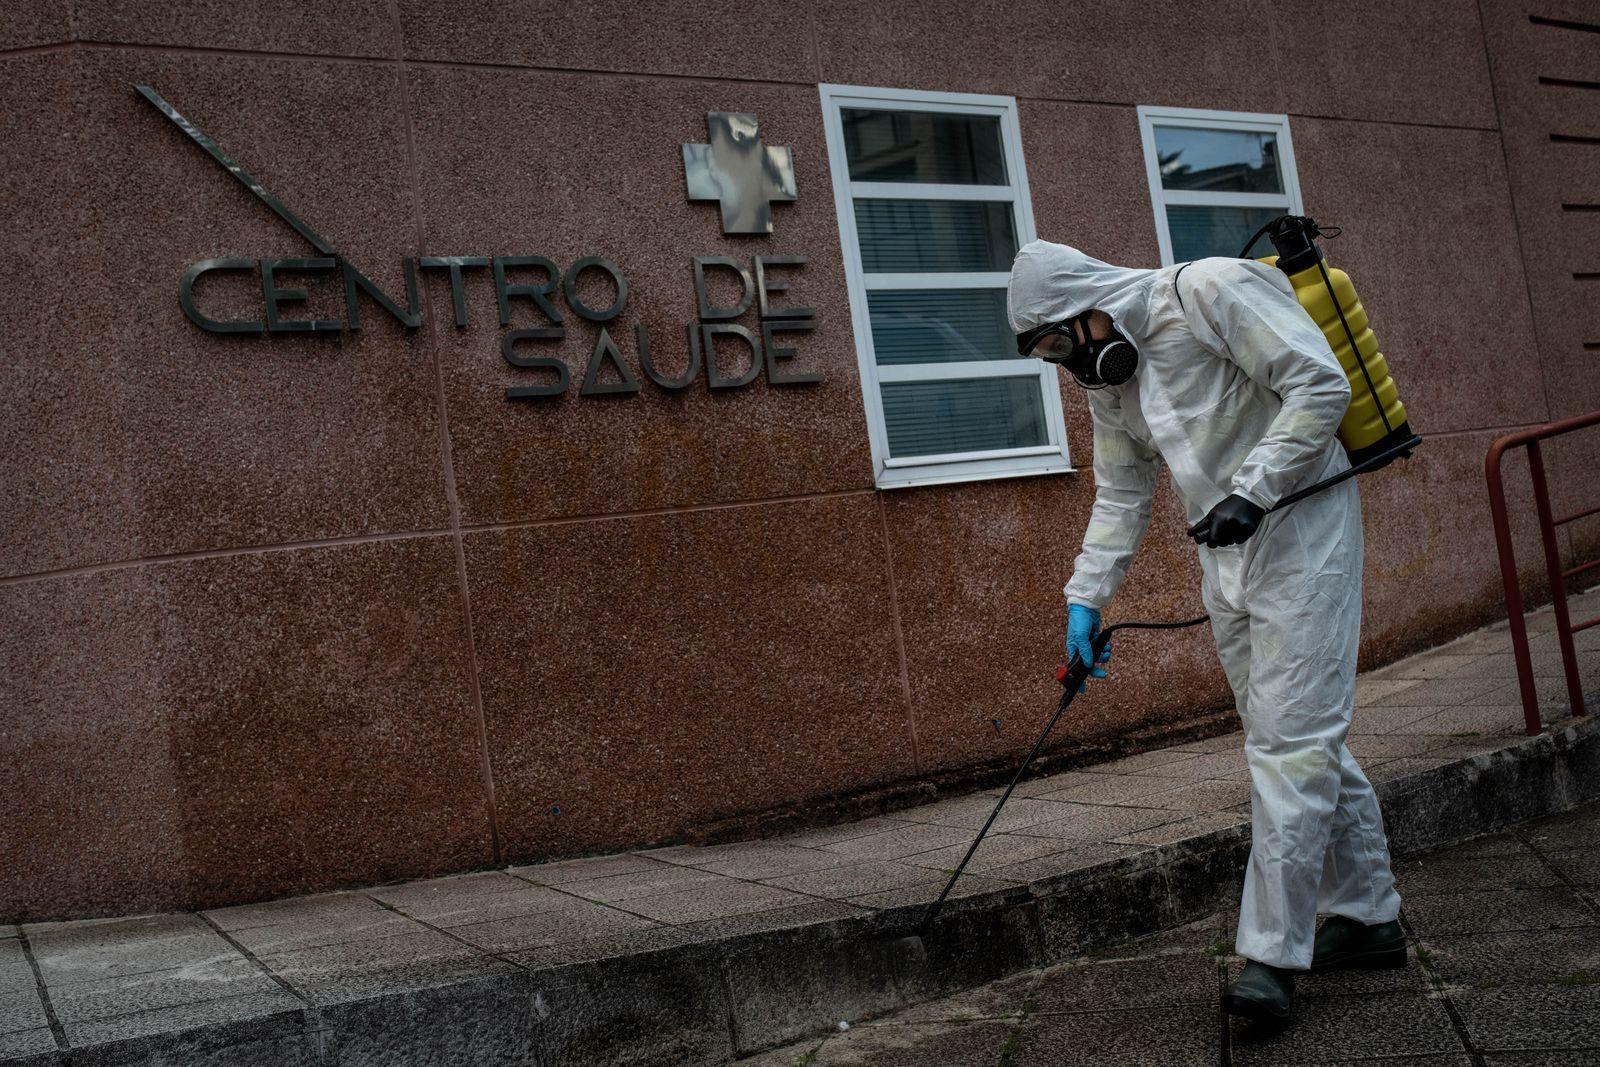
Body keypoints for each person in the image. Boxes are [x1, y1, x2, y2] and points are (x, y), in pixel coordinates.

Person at [1007, 240, 1405, 1029]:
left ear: (1092, 303)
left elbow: (1317, 383)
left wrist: (1255, 489)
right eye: (1049, 356)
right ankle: (1368, 916)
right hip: (1228, 557)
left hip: (1305, 535)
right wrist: (1085, 598)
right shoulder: (1112, 386)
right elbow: (1122, 492)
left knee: (1290, 745)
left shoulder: (1211, 293)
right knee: (1287, 731)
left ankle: (1270, 959)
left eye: (1060, 342)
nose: (1069, 366)